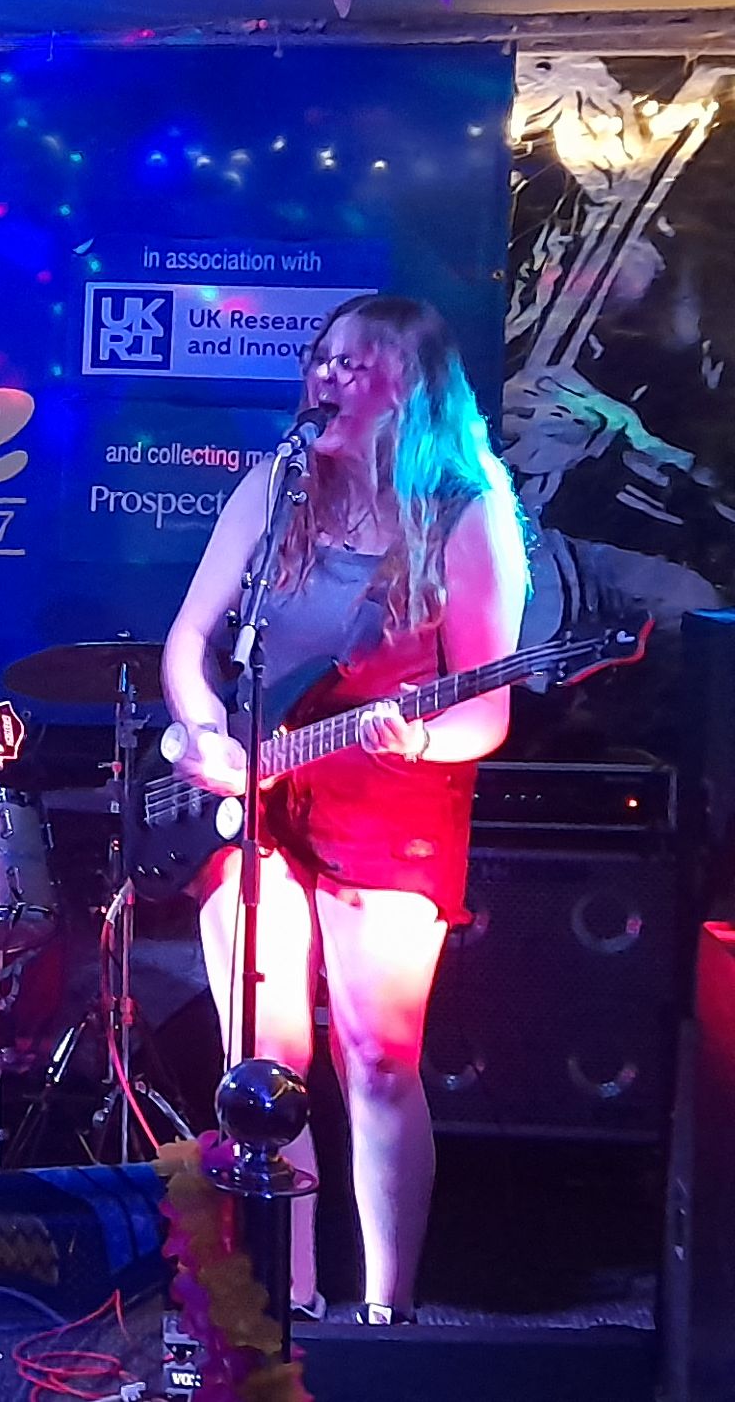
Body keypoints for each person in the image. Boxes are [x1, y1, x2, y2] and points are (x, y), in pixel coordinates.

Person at [161, 294, 528, 1323]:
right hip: (260, 797)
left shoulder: (464, 513)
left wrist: (416, 738)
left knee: (376, 1057)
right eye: (321, 358)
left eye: (357, 362)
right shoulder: (277, 486)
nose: (327, 376)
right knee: (262, 1060)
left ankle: (386, 1312)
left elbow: (486, 710)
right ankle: (286, 1300)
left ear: (412, 386)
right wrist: (205, 731)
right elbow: (189, 641)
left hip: (389, 804)